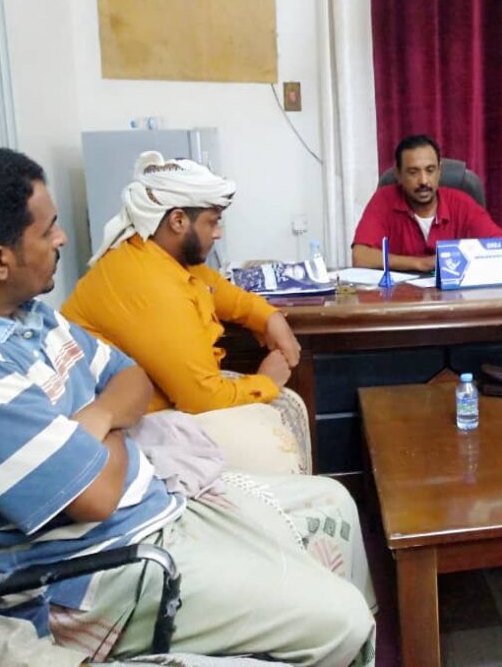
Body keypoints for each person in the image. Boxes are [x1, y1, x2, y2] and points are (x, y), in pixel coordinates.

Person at [0, 146, 375, 665]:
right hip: (99, 567)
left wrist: (99, 417)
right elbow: (96, 496)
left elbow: (132, 377)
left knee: (334, 504)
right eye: (48, 229)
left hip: (149, 500)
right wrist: (261, 385)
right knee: (343, 621)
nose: (63, 238)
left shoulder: (28, 312)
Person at [62, 151, 314, 469]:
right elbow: (201, 398)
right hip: (128, 428)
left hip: (164, 402)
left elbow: (221, 292)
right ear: (178, 220)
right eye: (212, 221)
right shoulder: (147, 280)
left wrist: (270, 317)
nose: (218, 233)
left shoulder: (160, 256)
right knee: (274, 446)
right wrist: (267, 381)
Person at [352, 133, 502, 272]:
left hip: (455, 295)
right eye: (413, 172)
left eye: (430, 170)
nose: (423, 181)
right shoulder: (384, 200)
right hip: (402, 296)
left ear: (439, 170)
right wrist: (421, 263)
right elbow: (360, 257)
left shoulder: (461, 202)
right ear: (398, 174)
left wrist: (454, 258)